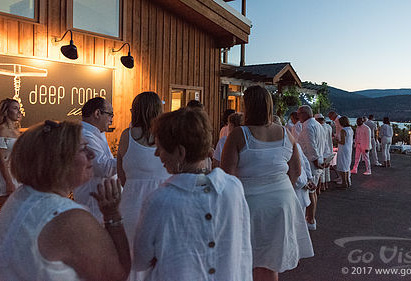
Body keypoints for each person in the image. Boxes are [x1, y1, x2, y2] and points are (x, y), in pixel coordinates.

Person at [0, 120, 130, 281]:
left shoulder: (21, 198)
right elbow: (117, 274)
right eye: (83, 149)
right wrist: (113, 215)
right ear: (57, 160)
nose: (92, 155)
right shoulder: (68, 218)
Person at [133, 108, 252, 280]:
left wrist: (113, 217)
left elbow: (140, 261)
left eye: (160, 148)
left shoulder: (160, 200)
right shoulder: (233, 187)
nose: (156, 153)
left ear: (180, 153)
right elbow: (243, 251)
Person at [221, 85, 305, 281]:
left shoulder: (239, 134)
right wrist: (277, 187)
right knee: (270, 260)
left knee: (247, 259)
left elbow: (227, 175)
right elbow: (296, 170)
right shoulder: (285, 133)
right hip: (281, 202)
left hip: (249, 203)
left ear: (248, 106)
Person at [116, 92, 170, 281]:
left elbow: (122, 176)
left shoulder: (126, 136)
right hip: (163, 205)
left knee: (131, 261)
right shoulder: (167, 136)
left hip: (130, 204)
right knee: (161, 260)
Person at [73, 97, 117, 223]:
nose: (112, 119)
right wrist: (130, 158)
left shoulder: (96, 133)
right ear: (97, 113)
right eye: (110, 114)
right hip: (94, 207)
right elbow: (104, 168)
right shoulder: (85, 135)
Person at [0, 98, 22, 212]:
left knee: (17, 214)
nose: (19, 112)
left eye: (19, 109)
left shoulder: (17, 132)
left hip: (17, 175)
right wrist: (9, 183)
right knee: (6, 214)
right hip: (4, 177)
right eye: (15, 108)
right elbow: (1, 161)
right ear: (6, 111)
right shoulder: (0, 131)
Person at [297, 105, 325, 230]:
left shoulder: (308, 126)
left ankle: (310, 220)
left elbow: (311, 146)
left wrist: (314, 162)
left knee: (308, 192)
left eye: (299, 114)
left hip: (311, 164)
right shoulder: (317, 125)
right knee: (312, 193)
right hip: (316, 161)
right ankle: (311, 218)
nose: (298, 117)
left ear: (304, 114)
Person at [315, 113, 333, 192]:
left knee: (321, 170)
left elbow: (323, 141)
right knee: (327, 169)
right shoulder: (329, 127)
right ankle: (326, 184)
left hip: (323, 150)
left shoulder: (320, 128)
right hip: (329, 149)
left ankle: (322, 185)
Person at [336, 116, 353, 189]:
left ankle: (344, 183)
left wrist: (336, 140)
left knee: (342, 166)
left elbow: (342, 142)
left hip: (343, 149)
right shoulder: (350, 129)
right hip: (348, 149)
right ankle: (348, 182)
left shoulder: (343, 130)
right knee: (347, 165)